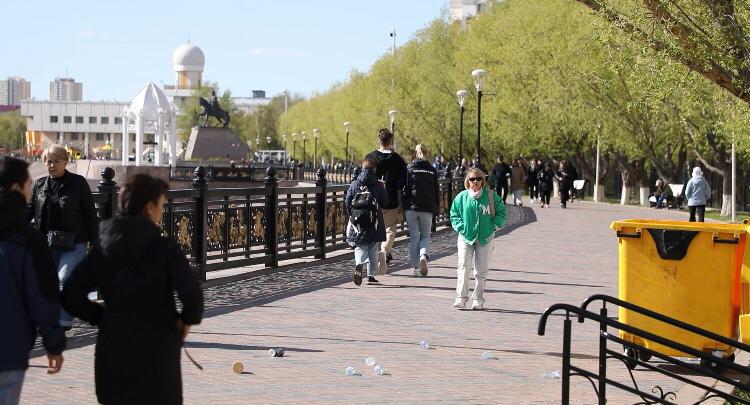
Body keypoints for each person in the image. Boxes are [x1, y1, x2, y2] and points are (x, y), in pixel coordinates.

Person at [61, 174, 204, 404]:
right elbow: (193, 297)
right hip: (157, 356)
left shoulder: (102, 248)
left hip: (113, 351)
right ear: (149, 207)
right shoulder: (165, 248)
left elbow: (70, 294)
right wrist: (185, 321)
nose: (162, 211)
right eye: (161, 205)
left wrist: (102, 316)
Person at [0, 157, 65, 404]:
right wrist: (54, 344)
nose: (30, 191)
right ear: (17, 187)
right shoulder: (27, 239)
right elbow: (44, 297)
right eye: (28, 184)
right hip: (8, 349)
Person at [28, 145, 99, 330]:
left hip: (74, 242)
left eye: (56, 161)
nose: (52, 165)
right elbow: (28, 212)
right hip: (46, 244)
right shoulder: (39, 185)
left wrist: (96, 243)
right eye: (48, 161)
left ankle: (63, 322)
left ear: (66, 162)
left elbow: (90, 215)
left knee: (63, 279)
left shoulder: (78, 183)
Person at [449, 168, 506, 310]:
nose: (475, 182)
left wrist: (494, 226)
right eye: (472, 179)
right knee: (463, 267)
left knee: (481, 271)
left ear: (483, 180)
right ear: (467, 181)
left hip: (485, 238)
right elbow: (454, 214)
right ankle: (461, 297)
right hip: (465, 237)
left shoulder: (491, 196)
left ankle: (478, 299)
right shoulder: (461, 197)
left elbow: (501, 212)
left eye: (478, 179)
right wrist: (461, 228)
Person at [365, 128, 407, 274]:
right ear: (391, 142)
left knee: (374, 232)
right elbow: (402, 184)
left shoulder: (369, 158)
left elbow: (362, 179)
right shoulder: (399, 160)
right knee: (390, 230)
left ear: (379, 140)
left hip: (372, 202)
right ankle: (384, 250)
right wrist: (402, 206)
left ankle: (374, 265)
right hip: (391, 201)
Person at [345, 159, 388, 285]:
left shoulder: (355, 183)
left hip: (357, 221)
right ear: (374, 170)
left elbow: (347, 201)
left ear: (362, 169)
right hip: (374, 221)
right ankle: (371, 276)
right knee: (373, 248)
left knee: (360, 246)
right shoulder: (378, 185)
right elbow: (385, 202)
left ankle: (359, 263)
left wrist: (352, 215)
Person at [404, 144, 440, 277]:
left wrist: (404, 205)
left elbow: (405, 189)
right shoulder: (432, 170)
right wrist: (436, 207)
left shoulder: (409, 168)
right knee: (425, 236)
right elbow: (436, 190)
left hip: (412, 207)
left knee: (414, 237)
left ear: (416, 153)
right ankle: (423, 255)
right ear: (426, 153)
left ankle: (415, 269)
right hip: (427, 208)